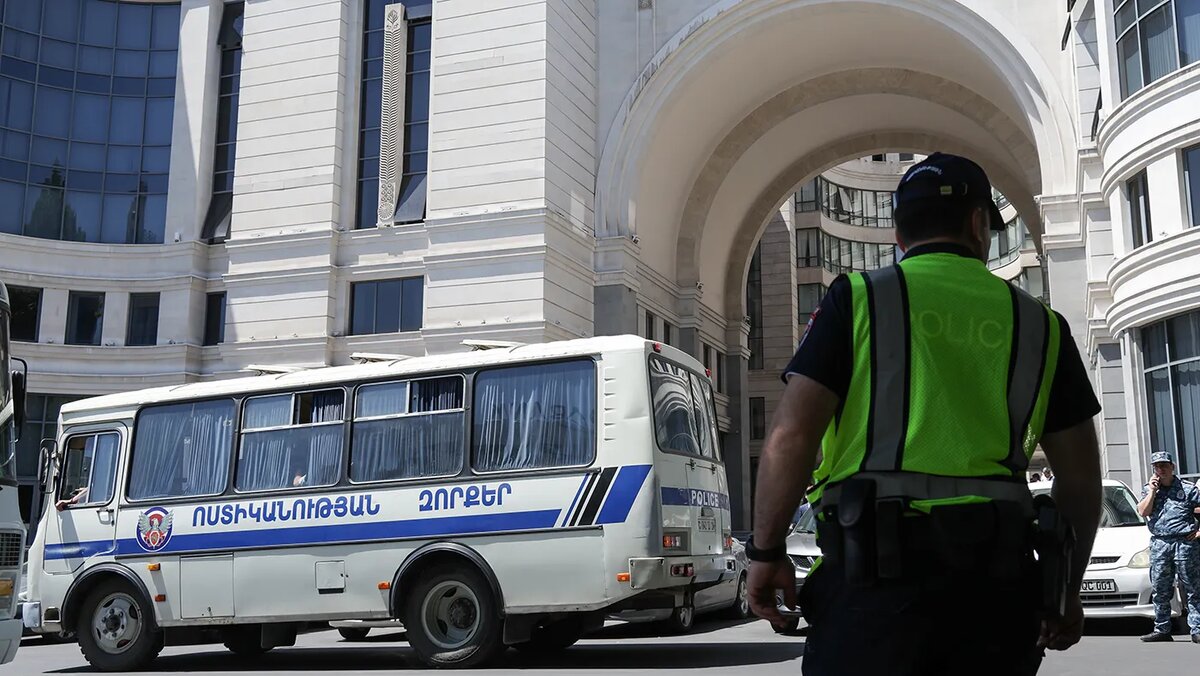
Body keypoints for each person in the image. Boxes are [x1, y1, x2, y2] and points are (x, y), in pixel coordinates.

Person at [745, 153, 1103, 676]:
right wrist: (1065, 589)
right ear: (979, 224)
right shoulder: (1041, 325)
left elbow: (790, 437)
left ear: (897, 234)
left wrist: (766, 548)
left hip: (870, 594)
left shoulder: (858, 300)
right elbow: (1080, 478)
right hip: (996, 601)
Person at [1135, 451, 1200, 643]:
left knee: (1193, 588)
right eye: (1157, 466)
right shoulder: (1148, 490)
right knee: (1160, 588)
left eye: (1164, 465)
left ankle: (1197, 628)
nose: (1161, 469)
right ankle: (1162, 628)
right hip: (1160, 544)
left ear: (1172, 467)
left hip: (1185, 543)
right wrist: (1153, 491)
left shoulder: (1188, 489)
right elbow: (1143, 511)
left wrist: (1198, 532)